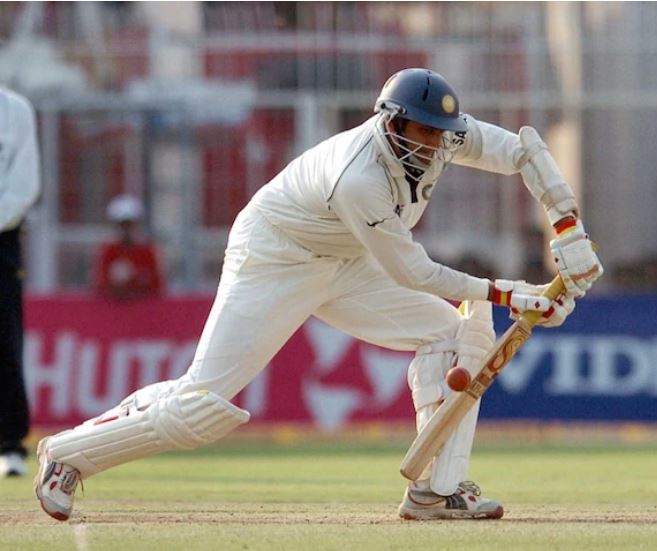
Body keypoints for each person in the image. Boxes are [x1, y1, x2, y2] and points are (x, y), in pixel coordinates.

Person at [34, 68, 602, 520]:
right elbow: (416, 274)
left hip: (346, 261)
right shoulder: (358, 180)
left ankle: (435, 492)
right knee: (198, 407)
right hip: (276, 257)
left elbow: (526, 151)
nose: (432, 145)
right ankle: (66, 457)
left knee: (454, 336)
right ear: (391, 124)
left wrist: (567, 227)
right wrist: (514, 295)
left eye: (440, 134)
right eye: (421, 132)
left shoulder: (446, 137)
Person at [0, 87, 41, 478]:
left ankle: (10, 445)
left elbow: (24, 186)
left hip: (1, 239)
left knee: (4, 343)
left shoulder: (14, 108)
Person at [92, 195, 163, 300]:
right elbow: (100, 284)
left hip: (143, 308)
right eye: (122, 224)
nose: (126, 229)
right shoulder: (108, 250)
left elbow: (157, 285)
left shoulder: (146, 251)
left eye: (129, 224)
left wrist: (135, 280)